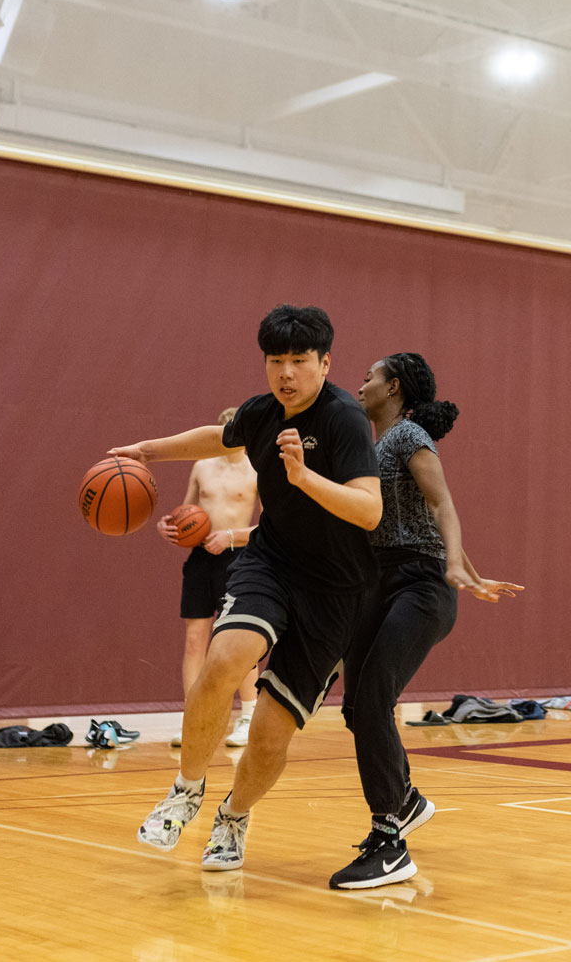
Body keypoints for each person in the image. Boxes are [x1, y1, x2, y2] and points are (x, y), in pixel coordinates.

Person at [112, 305, 383, 867]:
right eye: (275, 360)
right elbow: (218, 435)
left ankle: (233, 818)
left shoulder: (345, 419)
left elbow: (370, 511)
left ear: (325, 362)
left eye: (299, 361)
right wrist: (148, 451)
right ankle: (186, 790)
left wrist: (304, 477)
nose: (286, 372)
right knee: (224, 657)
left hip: (336, 591)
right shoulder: (261, 414)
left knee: (268, 735)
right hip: (273, 563)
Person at [333, 353, 522, 890]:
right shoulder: (370, 449)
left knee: (373, 697)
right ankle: (407, 799)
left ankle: (390, 838)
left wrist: (457, 565)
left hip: (418, 585)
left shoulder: (409, 435)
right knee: (356, 705)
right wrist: (469, 569)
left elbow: (442, 507)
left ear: (392, 387)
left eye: (369, 376)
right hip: (380, 581)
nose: (360, 383)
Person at [165, 407, 262, 750]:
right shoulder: (202, 466)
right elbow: (184, 514)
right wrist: (170, 527)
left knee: (239, 641)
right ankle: (194, 717)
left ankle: (248, 716)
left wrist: (233, 536)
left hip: (240, 558)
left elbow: (271, 526)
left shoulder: (256, 469)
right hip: (202, 558)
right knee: (194, 641)